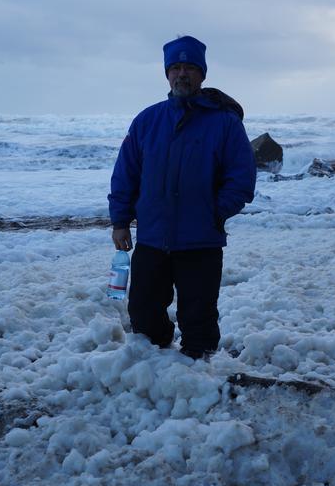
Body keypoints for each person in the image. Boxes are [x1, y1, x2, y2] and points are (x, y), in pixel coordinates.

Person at [108, 35, 256, 359]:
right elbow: (125, 175)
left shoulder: (225, 123)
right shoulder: (148, 120)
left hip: (201, 240)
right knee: (144, 315)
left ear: (202, 74)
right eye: (175, 67)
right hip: (151, 239)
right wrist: (120, 221)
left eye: (189, 67)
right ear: (166, 74)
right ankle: (154, 368)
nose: (181, 74)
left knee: (199, 318)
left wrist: (214, 213)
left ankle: (200, 376)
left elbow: (242, 178)